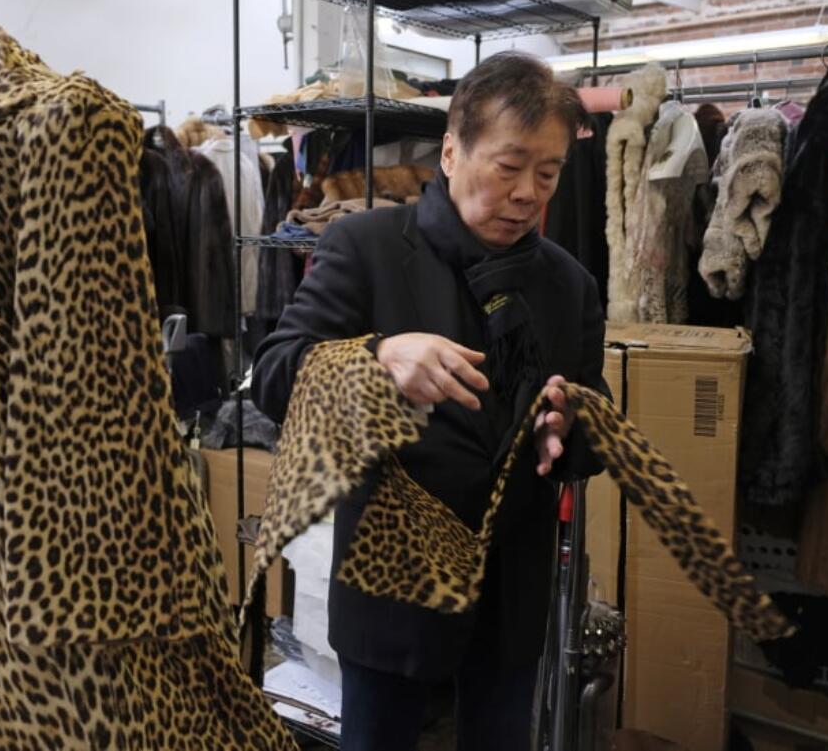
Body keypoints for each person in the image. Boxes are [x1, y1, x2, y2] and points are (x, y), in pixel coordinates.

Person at [252, 52, 610, 751]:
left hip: (510, 596)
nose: (528, 194)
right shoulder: (368, 247)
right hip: (393, 583)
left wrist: (572, 423)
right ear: (451, 151)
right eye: (509, 167)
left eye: (549, 172)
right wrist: (376, 358)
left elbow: (592, 418)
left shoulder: (569, 286)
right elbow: (273, 376)